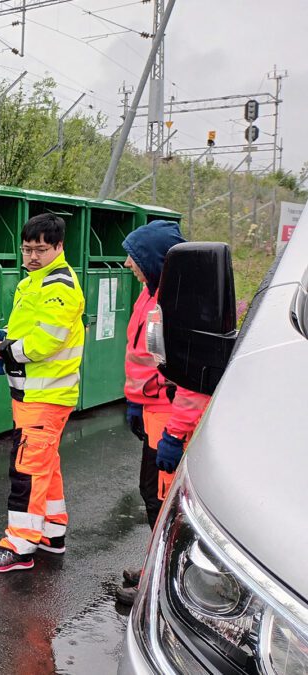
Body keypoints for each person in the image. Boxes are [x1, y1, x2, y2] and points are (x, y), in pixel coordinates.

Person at [0, 213, 85, 573]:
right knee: (44, 465)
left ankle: (19, 546)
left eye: (41, 249)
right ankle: (51, 533)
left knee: (27, 469)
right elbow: (28, 329)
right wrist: (2, 336)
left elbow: (45, 342)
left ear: (59, 247)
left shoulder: (59, 287)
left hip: (45, 397)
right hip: (34, 395)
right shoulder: (35, 283)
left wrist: (4, 350)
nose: (32, 256)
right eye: (27, 249)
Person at [115, 220, 211, 605]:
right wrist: (136, 399)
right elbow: (143, 356)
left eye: (134, 257)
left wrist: (175, 432)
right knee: (151, 495)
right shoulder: (151, 294)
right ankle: (157, 565)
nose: (127, 264)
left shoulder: (179, 306)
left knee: (166, 502)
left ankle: (164, 582)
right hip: (153, 411)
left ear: (155, 262)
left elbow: (194, 380)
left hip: (170, 418)